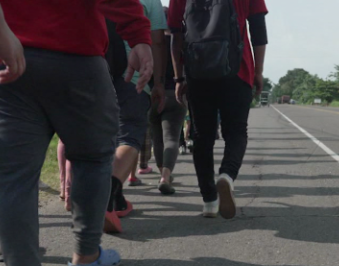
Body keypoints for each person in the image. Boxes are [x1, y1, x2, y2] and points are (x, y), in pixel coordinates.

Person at [0, 0, 153, 266]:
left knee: (12, 171)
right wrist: (138, 34)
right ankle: (87, 253)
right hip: (75, 47)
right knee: (92, 156)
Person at [168, 0, 268, 218]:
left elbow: (175, 34)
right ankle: (227, 176)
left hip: (197, 71)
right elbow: (258, 29)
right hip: (237, 69)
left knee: (202, 136)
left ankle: (209, 201)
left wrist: (179, 77)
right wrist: (258, 71)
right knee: (236, 132)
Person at [105, 0, 167, 233]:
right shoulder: (151, 2)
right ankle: (107, 194)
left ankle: (114, 199)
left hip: (94, 68)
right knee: (130, 134)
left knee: (98, 136)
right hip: (133, 76)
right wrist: (158, 82)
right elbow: (158, 41)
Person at [148, 7, 187, 195]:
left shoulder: (152, 41)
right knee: (171, 137)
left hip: (153, 93)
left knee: (157, 138)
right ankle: (165, 175)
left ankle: (161, 173)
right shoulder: (180, 40)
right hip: (177, 93)